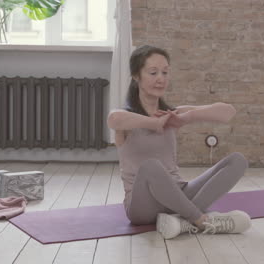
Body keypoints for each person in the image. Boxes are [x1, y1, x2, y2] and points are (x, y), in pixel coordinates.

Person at [107, 45, 251, 239]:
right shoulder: (127, 118)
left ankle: (180, 222)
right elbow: (113, 119)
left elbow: (228, 112)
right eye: (153, 72)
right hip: (141, 206)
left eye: (165, 72)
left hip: (177, 194)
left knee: (237, 161)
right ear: (136, 76)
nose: (161, 78)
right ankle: (200, 220)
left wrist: (187, 117)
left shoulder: (172, 114)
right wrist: (154, 123)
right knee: (151, 167)